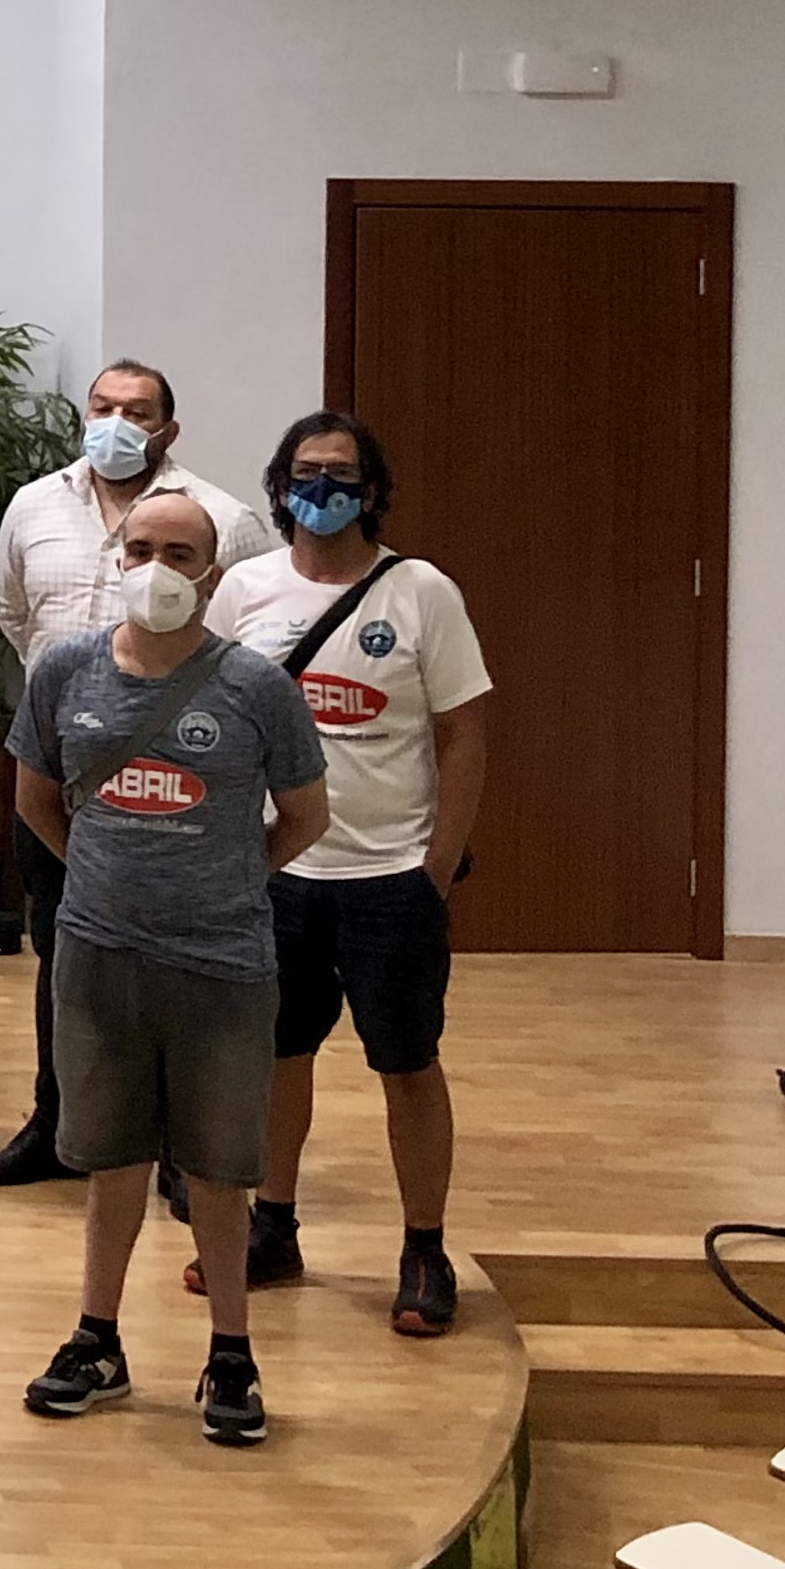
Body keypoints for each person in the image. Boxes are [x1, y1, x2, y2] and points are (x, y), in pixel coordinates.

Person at [13, 491, 331, 1450]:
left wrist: (229, 878)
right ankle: (97, 1338)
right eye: (141, 547)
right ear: (118, 559)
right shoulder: (64, 669)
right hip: (98, 954)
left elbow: (306, 815)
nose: (158, 566)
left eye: (180, 552)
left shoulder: (256, 685)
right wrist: (104, 877)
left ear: (211, 572)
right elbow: (35, 798)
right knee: (111, 1157)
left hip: (223, 959)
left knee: (218, 1169)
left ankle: (231, 1351)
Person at [192, 412, 492, 1337]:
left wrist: (434, 867)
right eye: (306, 471)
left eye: (343, 472)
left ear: (374, 490)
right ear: (280, 486)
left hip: (391, 877)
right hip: (277, 873)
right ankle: (273, 1226)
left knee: (408, 1063)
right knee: (279, 1055)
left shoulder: (421, 591)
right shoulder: (244, 589)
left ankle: (424, 1247)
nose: (323, 487)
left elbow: (463, 732)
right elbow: (208, 713)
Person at [0, 358, 279, 1189]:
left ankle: (181, 1151)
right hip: (65, 775)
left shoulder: (225, 517)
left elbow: (250, 628)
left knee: (180, 971)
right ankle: (59, 1124)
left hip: (187, 784)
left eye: (136, 411)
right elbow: (14, 614)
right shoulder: (35, 505)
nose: (115, 422)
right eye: (102, 406)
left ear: (168, 428)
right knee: (62, 952)